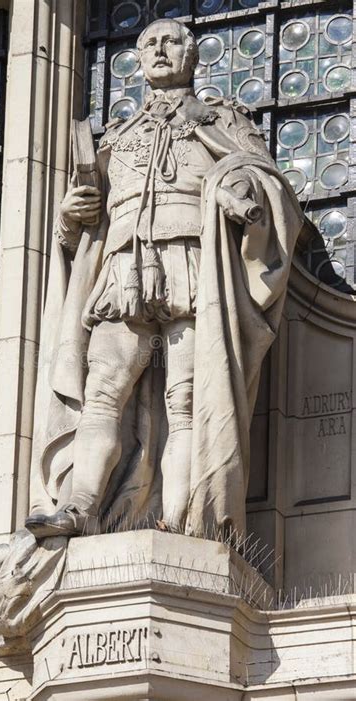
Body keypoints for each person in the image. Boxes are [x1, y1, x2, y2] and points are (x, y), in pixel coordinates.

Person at [25, 18, 303, 540]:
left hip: (194, 265)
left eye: (170, 41)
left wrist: (236, 189)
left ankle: (180, 521)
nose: (159, 49)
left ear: (191, 56)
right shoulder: (120, 135)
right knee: (104, 388)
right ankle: (81, 505)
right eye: (148, 43)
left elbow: (262, 178)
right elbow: (86, 225)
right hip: (123, 270)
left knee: (186, 401)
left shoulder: (222, 119)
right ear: (138, 58)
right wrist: (71, 214)